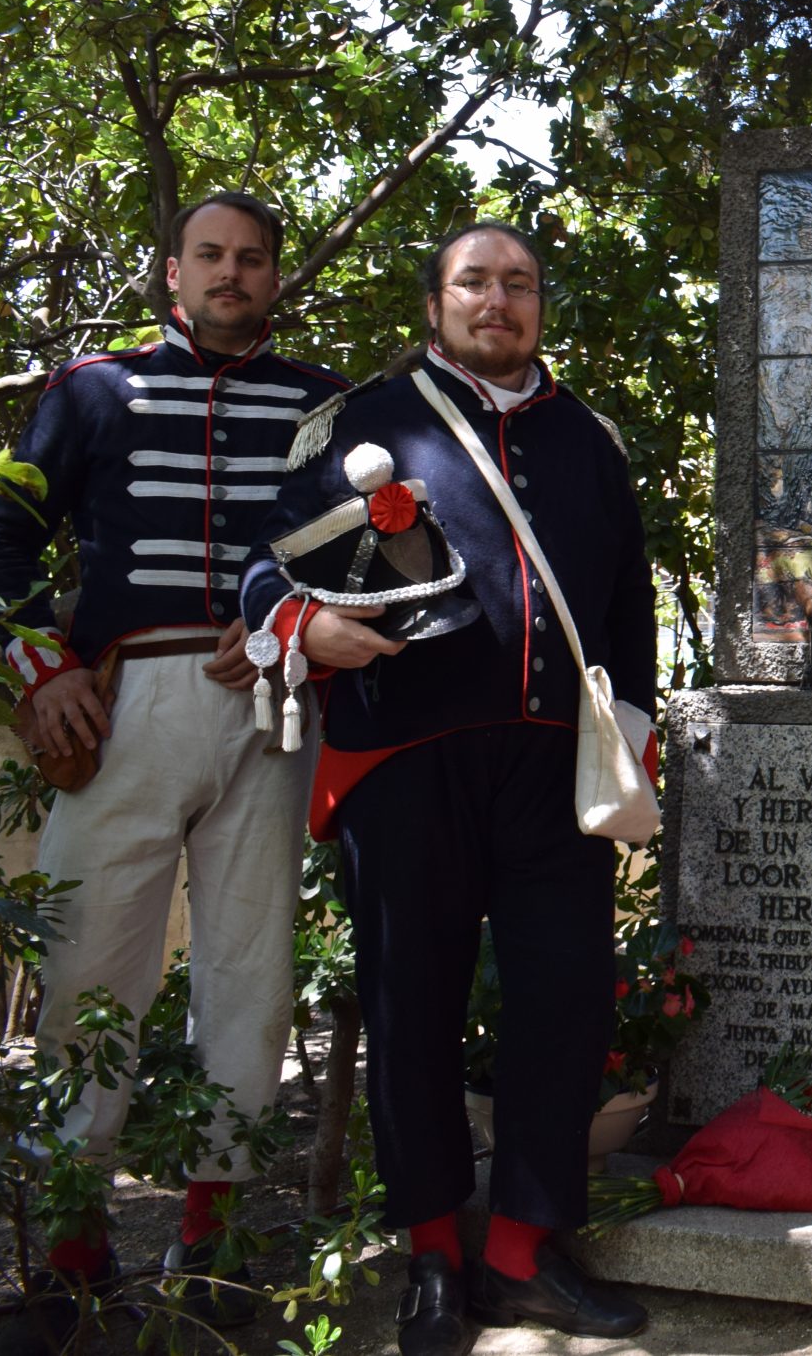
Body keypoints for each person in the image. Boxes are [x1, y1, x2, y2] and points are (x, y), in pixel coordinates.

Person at [242, 221, 656, 1355]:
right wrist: (305, 627)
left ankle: (521, 1252)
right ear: (435, 304)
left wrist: (632, 725)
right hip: (404, 759)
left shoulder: (588, 438)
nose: (497, 301)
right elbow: (263, 562)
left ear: (538, 306)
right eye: (474, 282)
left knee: (565, 997)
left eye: (519, 283)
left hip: (554, 768)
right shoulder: (360, 422)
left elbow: (627, 597)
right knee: (409, 1006)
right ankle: (432, 1254)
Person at [0, 192, 346, 1348]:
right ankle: (73, 1246)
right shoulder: (93, 389)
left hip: (274, 706)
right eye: (210, 255)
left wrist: (289, 621)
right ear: (171, 271)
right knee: (90, 964)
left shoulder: (322, 401)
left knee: (251, 966)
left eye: (252, 258)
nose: (231, 273)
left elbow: (356, 550)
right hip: (123, 701)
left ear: (276, 276)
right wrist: (43, 672)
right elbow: (0, 538)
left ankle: (212, 1230)